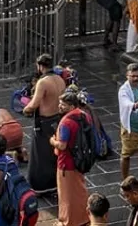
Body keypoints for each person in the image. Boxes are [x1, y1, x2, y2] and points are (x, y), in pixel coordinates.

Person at [23, 53, 66, 193]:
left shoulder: (43, 82)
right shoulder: (60, 79)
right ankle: (56, 182)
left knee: (41, 155)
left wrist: (25, 108)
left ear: (40, 66)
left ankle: (41, 185)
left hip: (45, 121)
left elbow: (33, 104)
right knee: (53, 154)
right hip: (58, 118)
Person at [52, 87, 93, 226]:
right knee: (80, 190)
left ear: (71, 106)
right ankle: (84, 217)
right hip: (80, 159)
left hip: (66, 163)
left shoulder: (65, 123)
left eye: (63, 104)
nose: (59, 106)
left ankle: (68, 221)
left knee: (66, 195)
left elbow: (62, 145)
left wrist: (53, 141)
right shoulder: (84, 115)